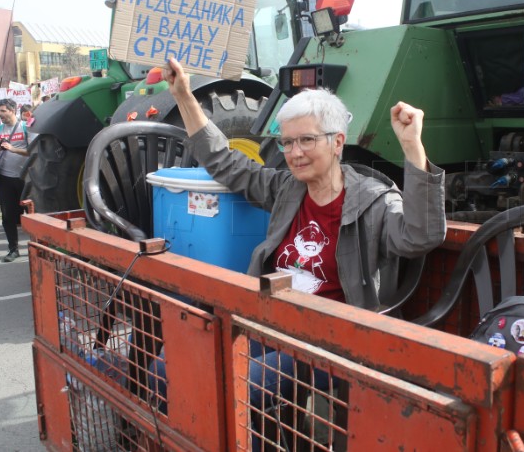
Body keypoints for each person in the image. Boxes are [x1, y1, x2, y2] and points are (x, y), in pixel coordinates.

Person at [162, 58, 446, 428]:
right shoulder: (288, 189)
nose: (294, 153)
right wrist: (184, 96)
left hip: (329, 342)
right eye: (288, 142)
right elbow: (225, 162)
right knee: (167, 365)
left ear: (337, 142)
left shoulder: (374, 201)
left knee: (223, 383)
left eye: (307, 140)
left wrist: (413, 147)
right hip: (269, 321)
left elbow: (421, 235)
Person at [0, 98, 31, 262]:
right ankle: (13, 249)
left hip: (25, 178)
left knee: (31, 214)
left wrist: (13, 149)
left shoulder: (25, 127)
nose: (0, 115)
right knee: (7, 215)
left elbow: (33, 152)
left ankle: (37, 246)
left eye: (3, 111)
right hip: (4, 178)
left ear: (12, 110)